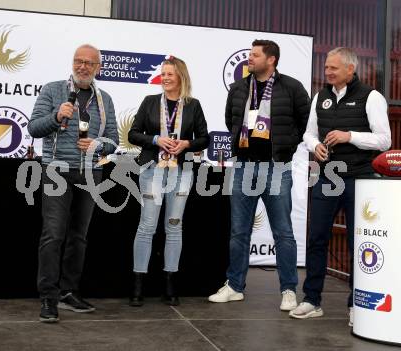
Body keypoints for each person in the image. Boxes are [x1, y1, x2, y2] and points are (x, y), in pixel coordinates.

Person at [289, 47, 391, 326]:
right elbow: (309, 133)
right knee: (317, 238)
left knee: (358, 244)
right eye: (326, 68)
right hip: (327, 177)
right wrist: (316, 146)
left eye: (333, 68)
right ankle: (312, 300)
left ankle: (357, 304)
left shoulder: (372, 97)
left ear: (350, 69)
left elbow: (384, 141)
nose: (327, 72)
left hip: (360, 178)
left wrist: (350, 136)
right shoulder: (320, 96)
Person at [208, 40, 310, 311]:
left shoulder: (292, 87)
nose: (250, 59)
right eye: (250, 54)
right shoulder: (240, 87)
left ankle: (288, 290)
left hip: (276, 167)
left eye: (255, 55)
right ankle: (234, 286)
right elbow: (231, 120)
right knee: (238, 231)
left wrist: (286, 144)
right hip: (243, 165)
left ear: (271, 59)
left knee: (283, 233)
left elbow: (305, 122)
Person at [28, 44, 119, 323]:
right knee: (53, 235)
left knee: (78, 238)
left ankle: (68, 292)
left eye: (89, 63)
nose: (83, 66)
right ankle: (48, 296)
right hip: (56, 171)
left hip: (90, 174)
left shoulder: (104, 99)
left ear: (98, 68)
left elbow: (114, 140)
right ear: (72, 63)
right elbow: (33, 128)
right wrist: (56, 117)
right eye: (79, 61)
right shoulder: (52, 90)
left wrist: (98, 144)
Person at [128, 56, 210, 306]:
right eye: (163, 74)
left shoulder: (193, 105)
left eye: (169, 74)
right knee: (147, 226)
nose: (164, 78)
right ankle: (138, 285)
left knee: (174, 227)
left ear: (181, 77)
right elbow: (133, 134)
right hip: (152, 170)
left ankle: (170, 283)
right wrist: (155, 140)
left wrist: (186, 144)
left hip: (181, 172)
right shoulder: (150, 102)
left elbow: (204, 139)